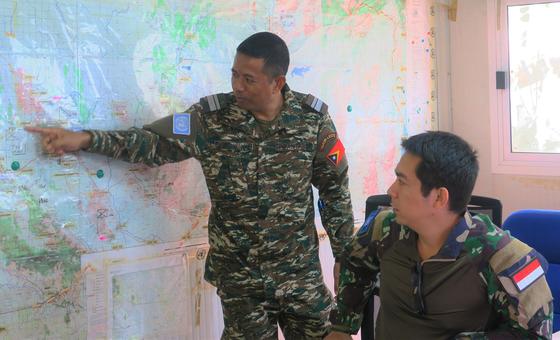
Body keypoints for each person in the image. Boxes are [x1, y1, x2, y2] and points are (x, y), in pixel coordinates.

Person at [26, 32, 354, 339]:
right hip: (241, 284)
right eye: (234, 74)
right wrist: (83, 139)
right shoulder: (209, 119)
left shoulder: (313, 122)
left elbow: (334, 192)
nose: (237, 86)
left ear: (277, 82)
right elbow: (151, 143)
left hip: (301, 279)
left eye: (248, 79)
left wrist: (344, 256)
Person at [327, 131, 554, 339]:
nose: (391, 191)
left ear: (439, 198)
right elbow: (355, 263)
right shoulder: (384, 228)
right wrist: (342, 327)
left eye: (402, 182)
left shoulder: (504, 257)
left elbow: (535, 335)